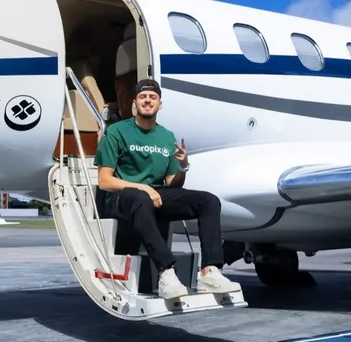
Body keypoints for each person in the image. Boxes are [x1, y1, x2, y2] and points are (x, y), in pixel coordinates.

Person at [93, 78, 241, 299]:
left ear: (159, 104)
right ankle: (166, 273)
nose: (147, 101)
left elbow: (173, 183)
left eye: (152, 97)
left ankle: (210, 272)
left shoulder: (167, 137)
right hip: (121, 198)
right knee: (140, 198)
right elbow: (105, 181)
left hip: (154, 196)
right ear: (134, 103)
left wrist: (183, 167)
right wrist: (144, 188)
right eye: (142, 97)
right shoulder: (116, 132)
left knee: (209, 201)